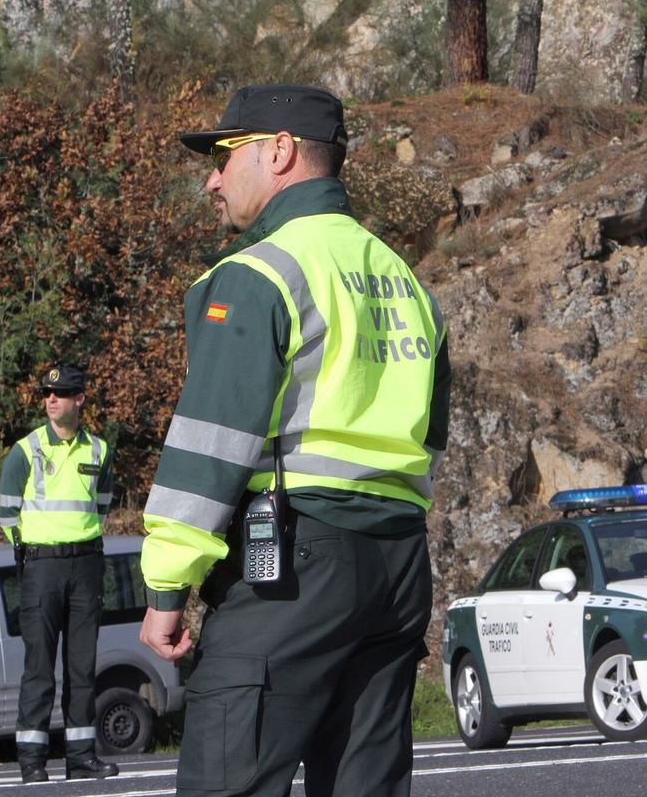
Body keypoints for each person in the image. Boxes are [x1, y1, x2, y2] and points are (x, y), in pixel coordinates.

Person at [138, 84, 452, 797]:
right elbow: (431, 435)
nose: (212, 180)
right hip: (399, 564)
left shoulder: (255, 274)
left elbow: (210, 444)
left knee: (229, 776)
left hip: (294, 564)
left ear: (279, 151)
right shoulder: (404, 280)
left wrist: (167, 586)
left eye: (223, 156)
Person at [0, 364, 119, 784]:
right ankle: (32, 760)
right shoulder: (26, 450)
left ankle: (81, 756)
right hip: (42, 566)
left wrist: (77, 541)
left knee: (82, 667)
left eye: (61, 393)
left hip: (86, 564)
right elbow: (6, 512)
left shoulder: (98, 450)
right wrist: (30, 549)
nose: (51, 399)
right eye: (47, 394)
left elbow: (102, 505)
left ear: (79, 399)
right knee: (39, 667)